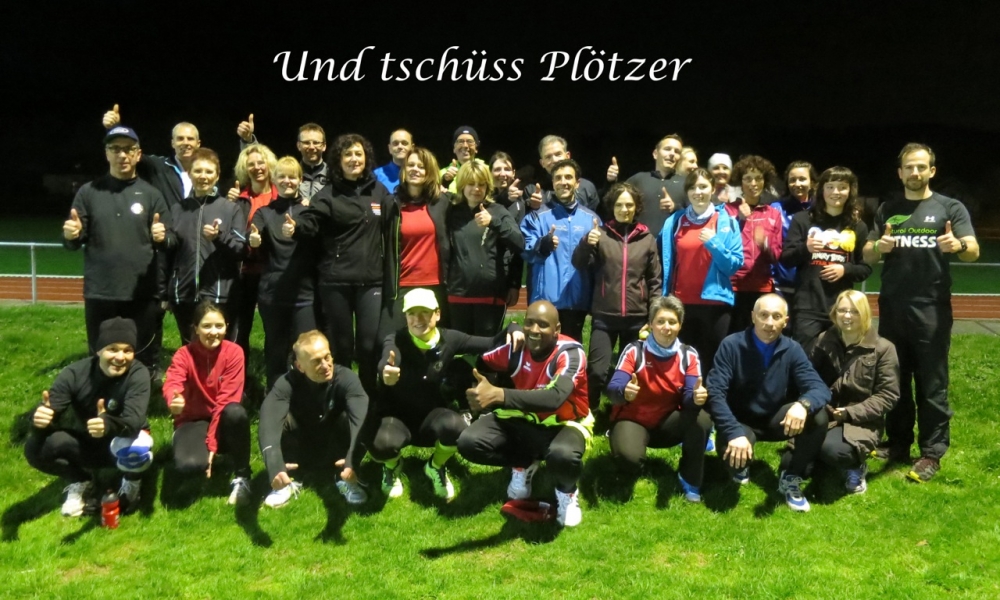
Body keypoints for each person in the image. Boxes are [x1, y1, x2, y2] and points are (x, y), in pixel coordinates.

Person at [862, 143, 980, 482]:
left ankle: (931, 452)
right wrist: (878, 247)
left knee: (932, 383)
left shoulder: (949, 207)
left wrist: (958, 245)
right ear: (900, 173)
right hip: (893, 307)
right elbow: (868, 253)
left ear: (932, 170)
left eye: (921, 167)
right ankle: (898, 443)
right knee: (894, 379)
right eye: (909, 167)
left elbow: (972, 250)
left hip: (931, 309)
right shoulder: (888, 209)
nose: (915, 172)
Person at [374, 289, 523, 500]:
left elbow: (490, 343)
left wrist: (513, 327)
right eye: (412, 313)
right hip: (397, 418)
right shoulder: (395, 339)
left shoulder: (449, 339)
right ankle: (392, 465)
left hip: (432, 415)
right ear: (405, 317)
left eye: (424, 312)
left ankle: (435, 466)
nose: (418, 319)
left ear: (437, 314)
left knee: (457, 427)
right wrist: (386, 371)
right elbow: (387, 359)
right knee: (381, 445)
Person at [458, 300, 592, 527]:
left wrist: (499, 395)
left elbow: (555, 397)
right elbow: (478, 360)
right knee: (469, 442)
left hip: (565, 423)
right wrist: (476, 388)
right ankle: (523, 463)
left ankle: (566, 492)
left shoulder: (570, 352)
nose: (534, 330)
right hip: (524, 418)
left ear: (557, 329)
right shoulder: (516, 349)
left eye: (543, 325)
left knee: (563, 456)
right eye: (529, 323)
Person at [63, 125, 175, 371]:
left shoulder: (152, 194)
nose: (122, 155)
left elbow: (172, 239)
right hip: (101, 291)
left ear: (138, 154)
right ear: (106, 153)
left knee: (142, 358)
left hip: (141, 294)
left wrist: (162, 237)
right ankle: (101, 394)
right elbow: (73, 240)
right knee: (101, 356)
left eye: (128, 149)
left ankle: (141, 393)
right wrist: (72, 235)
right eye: (115, 149)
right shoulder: (89, 192)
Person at [706, 294, 831, 512]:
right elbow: (715, 392)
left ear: (786, 321)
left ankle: (791, 476)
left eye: (776, 316)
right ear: (753, 317)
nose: (770, 323)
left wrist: (803, 405)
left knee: (818, 417)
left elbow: (819, 388)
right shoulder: (731, 345)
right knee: (734, 462)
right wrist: (733, 432)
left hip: (775, 419)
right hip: (739, 421)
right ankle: (741, 463)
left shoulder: (792, 349)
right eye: (763, 315)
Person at [25, 318, 154, 516]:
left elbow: (134, 421)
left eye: (127, 350)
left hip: (125, 440)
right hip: (88, 441)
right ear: (99, 350)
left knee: (138, 446)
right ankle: (80, 480)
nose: (120, 357)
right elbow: (51, 412)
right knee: (36, 448)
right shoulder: (74, 374)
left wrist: (107, 425)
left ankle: (132, 482)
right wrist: (39, 421)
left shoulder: (138, 373)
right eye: (112, 349)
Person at [293, 133, 389, 395]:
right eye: (348, 154)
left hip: (371, 281)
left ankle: (368, 399)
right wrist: (297, 226)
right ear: (339, 160)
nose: (354, 159)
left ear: (366, 158)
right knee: (342, 348)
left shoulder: (378, 191)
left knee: (368, 346)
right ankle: (342, 397)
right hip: (336, 282)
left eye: (358, 153)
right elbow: (310, 221)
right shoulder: (328, 194)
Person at [605, 296, 712, 502]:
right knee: (629, 460)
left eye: (672, 322)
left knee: (703, 420)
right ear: (651, 324)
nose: (666, 327)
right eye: (661, 321)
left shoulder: (688, 355)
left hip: (667, 423)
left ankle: (690, 477)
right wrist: (623, 391)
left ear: (680, 326)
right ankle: (625, 443)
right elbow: (613, 388)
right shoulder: (635, 350)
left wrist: (696, 398)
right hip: (634, 419)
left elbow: (688, 398)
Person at [572, 182, 661, 408]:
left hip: (636, 319)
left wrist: (653, 315)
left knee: (629, 374)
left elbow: (654, 280)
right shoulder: (600, 234)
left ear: (636, 207)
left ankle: (620, 414)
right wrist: (586, 243)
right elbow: (579, 263)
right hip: (605, 317)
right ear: (612, 207)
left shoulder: (647, 239)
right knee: (597, 371)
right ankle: (589, 413)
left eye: (629, 205)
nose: (624, 209)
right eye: (619, 205)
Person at [259, 330, 370, 508]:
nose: (325, 365)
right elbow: (268, 422)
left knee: (353, 417)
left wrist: (353, 458)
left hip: (335, 450)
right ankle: (287, 478)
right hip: (300, 449)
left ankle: (345, 476)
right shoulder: (285, 384)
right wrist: (274, 466)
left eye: (327, 357)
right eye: (316, 361)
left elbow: (362, 416)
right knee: (282, 418)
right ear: (299, 366)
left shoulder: (346, 378)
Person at [809, 291, 900, 494]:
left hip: (861, 421)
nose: (847, 316)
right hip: (825, 413)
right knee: (791, 459)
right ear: (835, 313)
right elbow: (809, 377)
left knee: (832, 451)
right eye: (842, 310)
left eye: (854, 311)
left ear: (865, 314)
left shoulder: (883, 349)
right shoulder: (824, 339)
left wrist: (850, 413)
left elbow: (888, 396)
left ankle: (856, 466)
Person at [163, 302, 252, 505]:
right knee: (189, 465)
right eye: (206, 326)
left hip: (224, 418)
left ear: (226, 327)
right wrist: (173, 400)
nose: (213, 332)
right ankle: (192, 449)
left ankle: (243, 476)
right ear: (196, 328)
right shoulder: (184, 354)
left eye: (219, 326)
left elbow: (226, 400)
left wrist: (212, 445)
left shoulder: (234, 352)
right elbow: (173, 382)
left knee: (236, 413)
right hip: (193, 420)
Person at [659, 169, 743, 371]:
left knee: (711, 363)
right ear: (687, 192)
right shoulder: (674, 221)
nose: (698, 192)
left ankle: (710, 393)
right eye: (693, 187)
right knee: (682, 363)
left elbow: (733, 266)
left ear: (712, 189)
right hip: (681, 303)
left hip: (715, 304)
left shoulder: (727, 221)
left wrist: (714, 244)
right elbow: (661, 257)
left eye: (703, 186)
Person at [780, 167, 871, 350]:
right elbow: (786, 259)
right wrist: (806, 249)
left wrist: (845, 269)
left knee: (838, 359)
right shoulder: (803, 220)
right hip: (807, 307)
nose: (836, 192)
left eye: (842, 187)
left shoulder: (857, 226)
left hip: (842, 308)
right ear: (821, 190)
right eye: (830, 187)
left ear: (850, 191)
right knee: (804, 359)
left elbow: (865, 268)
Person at [250, 157, 321, 390]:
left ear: (300, 180)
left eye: (292, 177)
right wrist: (254, 240)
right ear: (274, 180)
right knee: (275, 351)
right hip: (273, 294)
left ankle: (306, 399)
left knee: (307, 351)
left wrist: (296, 228)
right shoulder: (264, 212)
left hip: (304, 295)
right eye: (282, 176)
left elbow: (314, 233)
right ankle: (275, 398)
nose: (287, 181)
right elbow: (255, 234)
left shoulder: (309, 211)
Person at [167, 148, 248, 343]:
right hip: (184, 294)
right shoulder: (178, 209)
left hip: (220, 294)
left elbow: (241, 250)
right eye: (198, 171)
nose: (203, 176)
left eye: (209, 171)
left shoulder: (230, 209)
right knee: (190, 348)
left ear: (217, 176)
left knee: (221, 349)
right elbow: (170, 251)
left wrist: (219, 238)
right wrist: (162, 238)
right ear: (189, 173)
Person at [521, 159, 601, 342]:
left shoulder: (592, 219)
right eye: (558, 178)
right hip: (546, 301)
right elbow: (525, 250)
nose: (563, 182)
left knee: (572, 350)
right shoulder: (536, 217)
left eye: (568, 177)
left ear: (577, 183)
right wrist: (542, 245)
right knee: (542, 352)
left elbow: (599, 261)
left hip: (578, 300)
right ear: (553, 182)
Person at [379, 146, 451, 340]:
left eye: (421, 166)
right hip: (401, 285)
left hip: (435, 285)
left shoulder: (443, 202)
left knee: (432, 341)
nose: (415, 169)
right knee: (387, 341)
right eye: (410, 165)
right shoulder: (391, 204)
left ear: (429, 171)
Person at [446, 161, 524, 336]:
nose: (476, 189)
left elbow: (519, 243)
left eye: (481, 184)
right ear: (462, 185)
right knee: (459, 349)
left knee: (487, 349)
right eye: (471, 184)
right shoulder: (451, 211)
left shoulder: (497, 211)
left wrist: (493, 223)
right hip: (458, 295)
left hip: (490, 296)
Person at [231, 142, 279, 377]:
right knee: (240, 331)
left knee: (276, 331)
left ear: (270, 165)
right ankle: (239, 384)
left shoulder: (282, 195)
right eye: (251, 164)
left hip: (274, 272)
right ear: (245, 169)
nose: (257, 168)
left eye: (261, 163)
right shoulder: (239, 199)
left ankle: (276, 381)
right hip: (245, 273)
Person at [727, 155, 784, 334]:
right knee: (733, 337)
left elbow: (776, 255)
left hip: (762, 286)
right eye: (748, 178)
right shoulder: (728, 210)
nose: (753, 183)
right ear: (740, 182)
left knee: (760, 336)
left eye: (758, 178)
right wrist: (739, 220)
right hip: (733, 286)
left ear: (764, 181)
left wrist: (765, 245)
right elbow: (723, 245)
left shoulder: (773, 213)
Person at [605, 134, 687, 234]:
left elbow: (696, 215)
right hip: (639, 241)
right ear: (655, 154)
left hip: (673, 242)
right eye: (667, 149)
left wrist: (675, 208)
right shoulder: (638, 179)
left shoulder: (686, 183)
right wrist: (611, 181)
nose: (672, 154)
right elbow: (612, 204)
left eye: (677, 151)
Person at [236, 116, 330, 202]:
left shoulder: (333, 174)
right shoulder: (286, 172)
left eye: (316, 143)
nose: (311, 147)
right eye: (306, 143)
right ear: (298, 145)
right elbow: (260, 161)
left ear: (324, 146)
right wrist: (248, 140)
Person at [772, 161, 818, 305]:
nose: (797, 184)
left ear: (812, 182)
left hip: (813, 285)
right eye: (792, 180)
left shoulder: (821, 210)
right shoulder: (776, 209)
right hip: (782, 285)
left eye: (802, 179)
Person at [521, 135, 600, 213]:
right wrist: (530, 206)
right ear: (542, 163)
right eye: (548, 157)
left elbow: (596, 217)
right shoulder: (532, 190)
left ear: (567, 156)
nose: (554, 160)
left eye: (558, 154)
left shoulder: (587, 187)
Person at [489, 151, 527, 308]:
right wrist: (504, 198)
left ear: (513, 173)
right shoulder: (480, 197)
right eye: (497, 169)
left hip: (504, 273)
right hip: (481, 271)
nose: (502, 173)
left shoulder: (519, 205)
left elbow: (518, 248)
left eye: (507, 169)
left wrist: (514, 284)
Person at [440, 126, 486, 194]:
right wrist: (444, 181)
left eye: (470, 141)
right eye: (460, 141)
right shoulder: (440, 174)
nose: (465, 146)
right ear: (454, 148)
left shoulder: (487, 171)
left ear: (476, 148)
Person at [374, 129, 413, 193]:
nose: (400, 146)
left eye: (404, 143)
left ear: (412, 147)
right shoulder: (376, 175)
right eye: (395, 143)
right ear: (389, 148)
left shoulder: (420, 174)